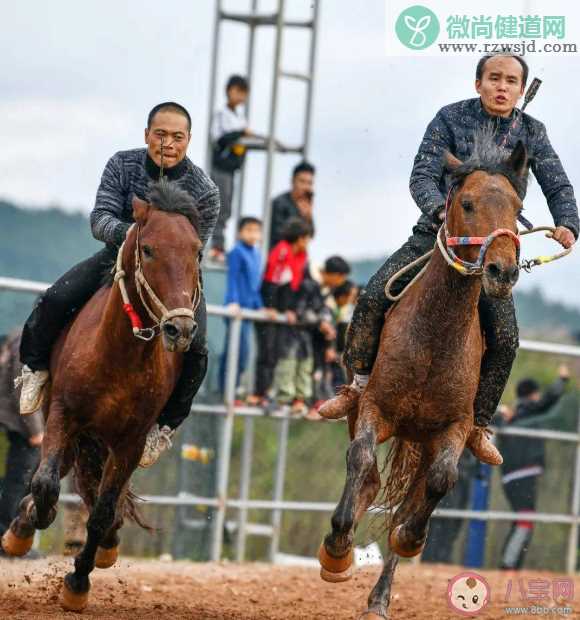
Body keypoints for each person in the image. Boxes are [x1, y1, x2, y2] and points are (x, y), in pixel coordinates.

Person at [320, 53, 579, 466]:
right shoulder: (449, 118)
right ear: (478, 83)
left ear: (520, 88)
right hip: (440, 235)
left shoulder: (532, 133)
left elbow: (558, 184)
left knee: (507, 339)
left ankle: (476, 423)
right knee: (371, 298)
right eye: (494, 78)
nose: (502, 87)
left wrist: (568, 222)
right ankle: (355, 387)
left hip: (495, 249)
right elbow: (421, 175)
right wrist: (441, 211)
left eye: (511, 81)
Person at [16, 102, 220, 468]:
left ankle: (166, 424)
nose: (168, 143)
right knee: (55, 298)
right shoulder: (121, 164)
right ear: (147, 136)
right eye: (160, 134)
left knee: (200, 346)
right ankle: (34, 369)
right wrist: (131, 238)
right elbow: (100, 218)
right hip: (119, 257)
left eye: (177, 137)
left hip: (175, 274)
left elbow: (195, 247)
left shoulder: (206, 190)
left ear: (188, 140)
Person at [497, 365, 570, 570]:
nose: (538, 397)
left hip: (516, 475)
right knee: (525, 520)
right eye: (537, 394)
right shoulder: (525, 410)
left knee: (523, 518)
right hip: (521, 475)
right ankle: (508, 566)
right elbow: (548, 402)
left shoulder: (515, 413)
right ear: (532, 395)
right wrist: (562, 380)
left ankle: (510, 565)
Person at [258, 218, 313, 414]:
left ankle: (271, 393)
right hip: (272, 308)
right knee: (268, 353)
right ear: (298, 238)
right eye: (306, 238)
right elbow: (271, 282)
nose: (307, 243)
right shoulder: (282, 251)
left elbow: (296, 286)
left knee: (278, 354)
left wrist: (292, 310)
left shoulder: (302, 256)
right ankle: (261, 393)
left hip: (285, 310)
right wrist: (271, 307)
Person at [218, 217, 270, 396]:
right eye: (249, 230)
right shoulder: (236, 252)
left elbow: (255, 286)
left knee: (244, 354)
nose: (253, 234)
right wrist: (233, 301)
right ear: (240, 232)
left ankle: (233, 388)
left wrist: (260, 306)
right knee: (235, 351)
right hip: (236, 308)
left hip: (249, 310)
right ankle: (225, 390)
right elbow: (232, 279)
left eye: (256, 230)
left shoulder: (257, 254)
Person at [0, 332, 43, 547]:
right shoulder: (28, 341)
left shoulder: (23, 338)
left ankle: (13, 538)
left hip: (19, 422)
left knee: (21, 482)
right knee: (18, 482)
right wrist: (36, 430)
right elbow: (23, 388)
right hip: (20, 426)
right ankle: (6, 537)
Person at [209, 75, 254, 263]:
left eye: (243, 93)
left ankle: (220, 245)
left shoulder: (240, 117)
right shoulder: (221, 114)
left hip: (232, 168)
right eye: (238, 92)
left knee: (227, 208)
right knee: (220, 206)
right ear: (229, 91)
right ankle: (216, 246)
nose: (240, 97)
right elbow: (218, 139)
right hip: (221, 166)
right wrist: (239, 134)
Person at [269, 161, 315, 250]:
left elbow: (311, 234)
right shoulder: (279, 203)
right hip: (281, 258)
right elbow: (278, 235)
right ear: (293, 181)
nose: (306, 187)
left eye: (310, 183)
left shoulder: (306, 205)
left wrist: (308, 217)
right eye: (302, 181)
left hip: (299, 258)